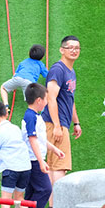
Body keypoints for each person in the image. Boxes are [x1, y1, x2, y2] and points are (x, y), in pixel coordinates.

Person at [22, 82, 64, 208]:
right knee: (45, 189)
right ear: (39, 100)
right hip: (32, 160)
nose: (47, 102)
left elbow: (39, 139)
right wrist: (41, 162)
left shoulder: (34, 116)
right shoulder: (30, 117)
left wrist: (54, 149)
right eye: (46, 99)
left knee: (32, 191)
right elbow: (32, 139)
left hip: (33, 159)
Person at [42, 36, 82, 183]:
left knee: (56, 165)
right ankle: (56, 199)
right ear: (62, 50)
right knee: (58, 166)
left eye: (77, 48)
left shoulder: (71, 71)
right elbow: (51, 98)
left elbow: (69, 99)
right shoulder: (58, 70)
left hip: (62, 123)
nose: (74, 50)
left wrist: (76, 123)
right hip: (54, 123)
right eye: (70, 47)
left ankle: (52, 199)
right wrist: (57, 126)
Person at [1, 44, 48, 108]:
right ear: (42, 57)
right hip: (29, 82)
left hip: (18, 78)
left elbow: (15, 74)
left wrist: (14, 85)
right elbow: (47, 75)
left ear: (29, 53)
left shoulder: (24, 62)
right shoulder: (41, 64)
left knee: (3, 88)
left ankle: (6, 105)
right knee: (32, 100)